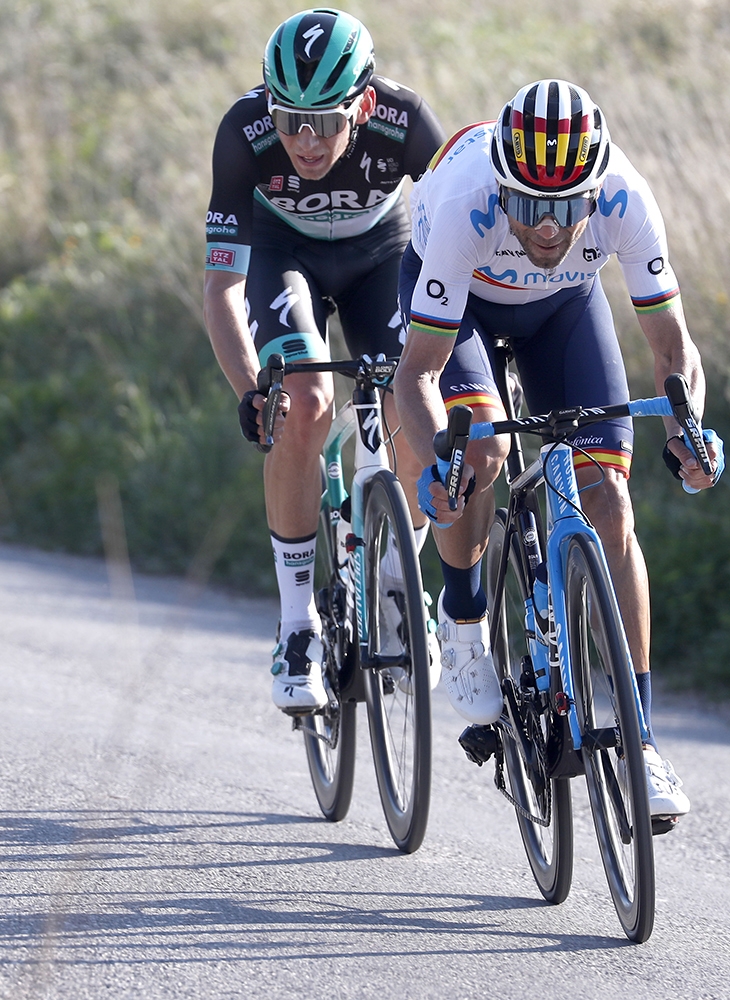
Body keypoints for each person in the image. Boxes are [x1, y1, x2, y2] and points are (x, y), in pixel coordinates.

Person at [393, 79, 724, 821]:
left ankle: (639, 740)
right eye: (531, 206)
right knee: (478, 451)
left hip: (565, 309)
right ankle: (466, 612)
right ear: (502, 187)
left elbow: (674, 353)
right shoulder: (462, 205)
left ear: (594, 188)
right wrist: (440, 459)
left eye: (567, 207)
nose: (548, 229)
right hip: (461, 308)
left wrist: (689, 428)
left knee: (610, 502)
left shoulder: (626, 199)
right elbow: (418, 373)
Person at [202, 8, 446, 713]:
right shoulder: (243, 135)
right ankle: (298, 622)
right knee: (302, 405)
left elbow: (459, 244)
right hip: (287, 259)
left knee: (410, 396)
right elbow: (223, 285)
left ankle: (402, 579)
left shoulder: (405, 122)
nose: (305, 142)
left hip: (384, 254)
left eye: (327, 123)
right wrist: (251, 390)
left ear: (364, 106)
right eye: (289, 122)